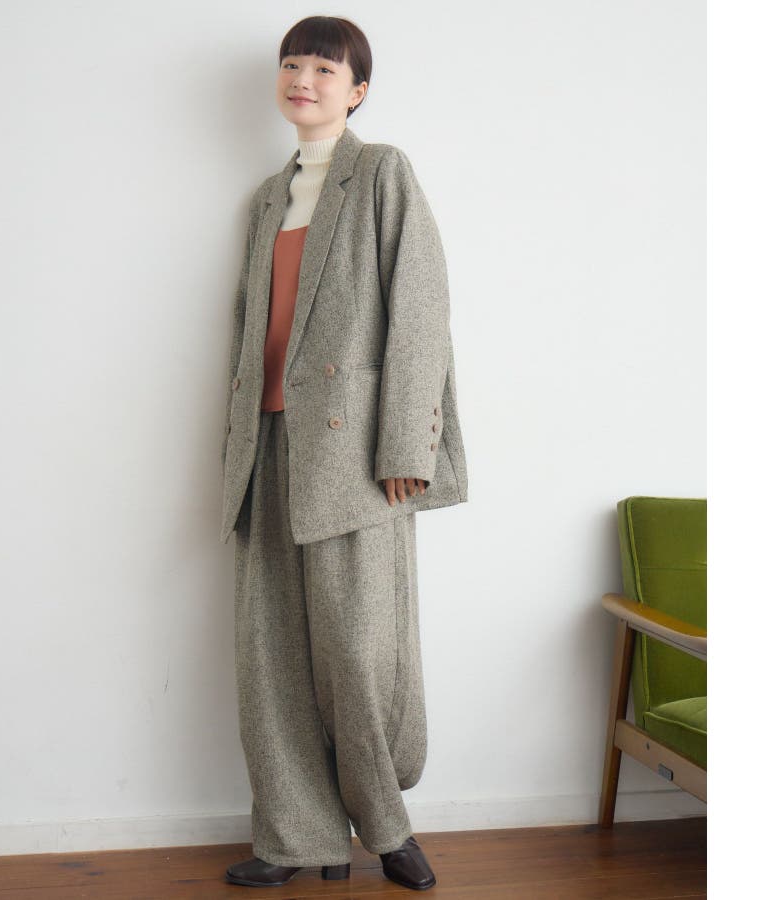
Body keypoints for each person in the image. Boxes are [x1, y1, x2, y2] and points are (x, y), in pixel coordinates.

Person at [221, 15, 468, 891]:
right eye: (292, 64)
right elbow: (247, 334)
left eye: (325, 68)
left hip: (358, 453)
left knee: (359, 652)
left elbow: (422, 308)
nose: (303, 78)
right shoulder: (266, 198)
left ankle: (387, 829)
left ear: (357, 90)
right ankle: (299, 838)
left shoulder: (381, 173)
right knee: (273, 655)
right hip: (270, 444)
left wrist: (408, 442)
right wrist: (235, 451)